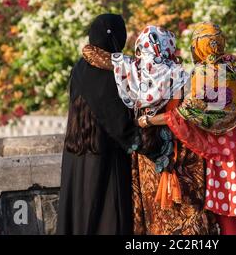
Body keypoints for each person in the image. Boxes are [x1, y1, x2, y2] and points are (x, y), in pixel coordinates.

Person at [137, 22, 236, 235]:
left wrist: (148, 121)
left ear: (200, 46)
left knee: (229, 217)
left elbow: (187, 115)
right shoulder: (234, 68)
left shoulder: (207, 74)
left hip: (224, 159)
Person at [82, 25, 218, 235]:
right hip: (183, 154)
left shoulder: (132, 71)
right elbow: (199, 116)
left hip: (149, 156)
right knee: (188, 216)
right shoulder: (182, 75)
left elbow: (91, 54)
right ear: (167, 47)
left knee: (155, 216)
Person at [57, 14, 150, 235]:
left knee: (79, 218)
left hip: (76, 154)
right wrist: (152, 146)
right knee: (108, 219)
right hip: (104, 157)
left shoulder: (80, 66)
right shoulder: (109, 74)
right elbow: (120, 125)